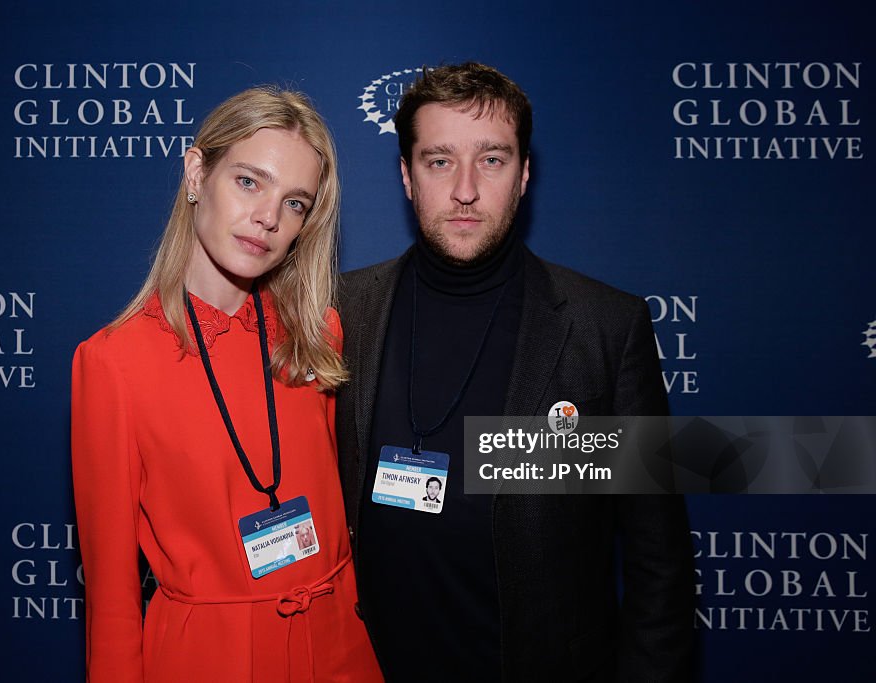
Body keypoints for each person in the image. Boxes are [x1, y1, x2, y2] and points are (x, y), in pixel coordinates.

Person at [336, 63, 694, 681]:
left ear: (525, 174)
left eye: (493, 160)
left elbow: (657, 562)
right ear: (406, 175)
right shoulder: (342, 312)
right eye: (439, 160)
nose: (466, 189)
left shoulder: (603, 328)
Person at [72, 87, 381, 683]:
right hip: (208, 658)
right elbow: (110, 599)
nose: (269, 216)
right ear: (196, 172)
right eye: (249, 182)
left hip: (340, 641)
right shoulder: (112, 363)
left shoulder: (317, 334)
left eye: (295, 203)